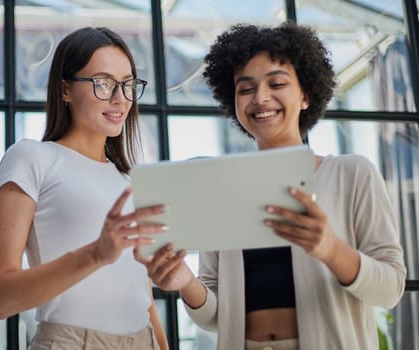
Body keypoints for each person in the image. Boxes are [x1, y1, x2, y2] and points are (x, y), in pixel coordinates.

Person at [135, 22, 406, 349]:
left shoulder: (352, 173)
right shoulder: (221, 188)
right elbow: (214, 316)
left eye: (277, 83)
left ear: (305, 94)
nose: (260, 98)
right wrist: (185, 282)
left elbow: (390, 289)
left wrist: (330, 250)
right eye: (245, 88)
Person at [0, 26, 169, 350]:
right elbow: (1, 298)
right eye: (103, 83)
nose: (120, 98)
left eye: (127, 85)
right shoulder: (32, 158)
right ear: (65, 90)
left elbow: (144, 297)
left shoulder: (128, 180)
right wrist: (96, 254)